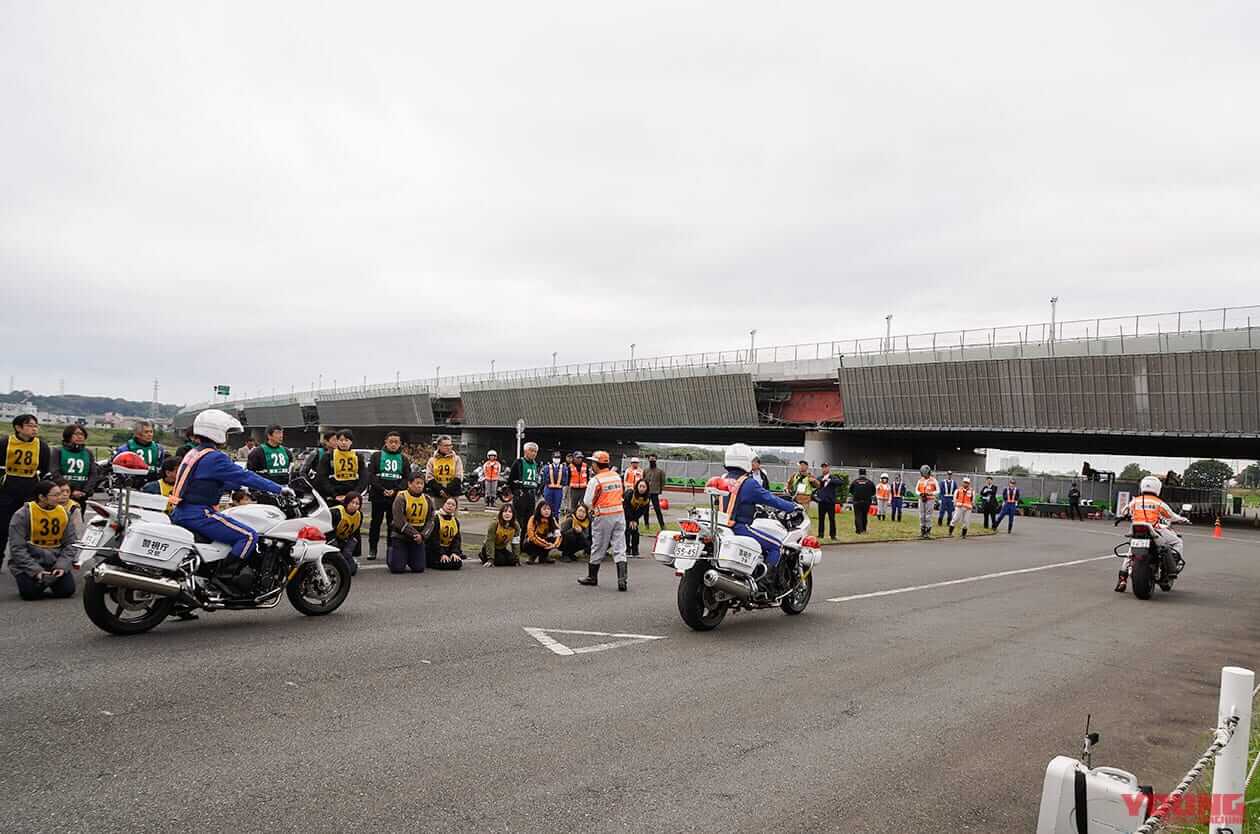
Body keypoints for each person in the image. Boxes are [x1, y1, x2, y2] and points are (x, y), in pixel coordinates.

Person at [166, 410, 285, 585]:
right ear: (216, 432)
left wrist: (238, 486)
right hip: (199, 513)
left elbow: (206, 482)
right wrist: (279, 489)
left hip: (182, 510)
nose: (228, 437)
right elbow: (245, 475)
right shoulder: (214, 457)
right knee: (249, 536)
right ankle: (223, 579)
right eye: (227, 433)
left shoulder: (196, 452)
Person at [718, 443, 802, 589]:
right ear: (745, 461)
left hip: (721, 527)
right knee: (776, 546)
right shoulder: (748, 483)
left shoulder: (722, 479)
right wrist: (793, 507)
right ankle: (764, 584)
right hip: (739, 527)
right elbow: (771, 499)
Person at [1114, 475, 1189, 592]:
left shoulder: (1134, 501)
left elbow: (1124, 511)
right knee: (1177, 541)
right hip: (1155, 530)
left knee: (1130, 553)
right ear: (1157, 488)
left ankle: (1122, 580)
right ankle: (1170, 569)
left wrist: (1125, 515)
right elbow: (1172, 516)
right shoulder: (1159, 503)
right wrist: (1183, 519)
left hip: (1135, 530)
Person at [7, 479, 78, 600]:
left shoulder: (64, 514)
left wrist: (61, 566)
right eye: (55, 495)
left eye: (60, 494)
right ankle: (38, 580)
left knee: (67, 591)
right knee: (31, 594)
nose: (60, 497)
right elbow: (17, 548)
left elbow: (71, 544)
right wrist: (36, 571)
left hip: (54, 562)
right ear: (42, 497)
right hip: (31, 562)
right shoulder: (22, 515)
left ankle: (48, 580)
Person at [0, 414, 52, 561]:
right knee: (3, 527)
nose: (34, 429)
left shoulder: (42, 446)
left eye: (36, 426)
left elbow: (45, 470)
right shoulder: (5, 443)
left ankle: (24, 561)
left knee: (28, 529)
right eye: (30, 425)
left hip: (29, 491)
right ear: (18, 427)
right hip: (7, 491)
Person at [576, 451, 629, 591]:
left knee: (598, 546)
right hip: (619, 514)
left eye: (593, 462)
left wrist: (593, 509)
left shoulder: (596, 480)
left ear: (596, 464)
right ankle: (622, 580)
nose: (591, 465)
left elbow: (587, 501)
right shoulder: (616, 477)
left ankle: (592, 577)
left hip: (603, 516)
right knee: (620, 547)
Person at [367, 432, 409, 560]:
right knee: (376, 522)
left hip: (395, 497)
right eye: (391, 441)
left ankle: (391, 548)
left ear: (400, 443)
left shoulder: (403, 458)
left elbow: (407, 478)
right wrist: (382, 489)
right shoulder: (376, 456)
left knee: (393, 523)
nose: (393, 444)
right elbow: (371, 474)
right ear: (386, 442)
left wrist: (395, 490)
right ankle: (372, 548)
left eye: (396, 442)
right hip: (378, 495)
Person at [389, 472, 435, 574]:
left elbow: (431, 520)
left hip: (418, 538)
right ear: (409, 484)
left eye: (422, 484)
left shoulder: (427, 499)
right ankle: (392, 553)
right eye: (417, 483)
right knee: (397, 569)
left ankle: (409, 556)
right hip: (401, 536)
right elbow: (399, 521)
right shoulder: (401, 497)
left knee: (419, 568)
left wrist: (422, 536)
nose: (419, 486)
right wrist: (415, 534)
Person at [52, 424, 100, 506]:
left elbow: (93, 474)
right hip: (62, 493)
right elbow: (54, 472)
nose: (80, 437)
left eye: (82, 434)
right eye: (76, 434)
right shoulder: (58, 451)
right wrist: (70, 490)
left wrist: (85, 491)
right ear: (68, 435)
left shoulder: (88, 453)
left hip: (82, 494)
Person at [316, 430, 366, 503]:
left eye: (346, 440)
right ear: (337, 441)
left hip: (352, 495)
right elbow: (322, 476)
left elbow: (364, 476)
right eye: (341, 440)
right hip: (334, 495)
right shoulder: (328, 457)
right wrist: (334, 494)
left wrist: (356, 493)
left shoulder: (357, 456)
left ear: (351, 442)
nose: (344, 443)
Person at [327, 494, 363, 576]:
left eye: (357, 504)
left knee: (351, 571)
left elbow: (356, 533)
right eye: (352, 502)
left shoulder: (359, 515)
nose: (354, 505)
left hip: (346, 538)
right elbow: (328, 530)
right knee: (336, 556)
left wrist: (355, 551)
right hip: (332, 538)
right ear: (346, 502)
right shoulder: (336, 512)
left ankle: (349, 562)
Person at [509, 442, 542, 527]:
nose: (533, 453)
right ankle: (517, 538)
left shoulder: (535, 464)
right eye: (531, 451)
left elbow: (537, 479)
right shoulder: (519, 462)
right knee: (518, 519)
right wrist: (516, 492)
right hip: (521, 494)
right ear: (525, 451)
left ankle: (526, 537)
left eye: (535, 451)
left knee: (529, 519)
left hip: (531, 495)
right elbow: (511, 480)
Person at [426, 497, 463, 570]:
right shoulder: (436, 518)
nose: (450, 506)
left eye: (453, 505)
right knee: (445, 564)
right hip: (435, 550)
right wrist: (442, 554)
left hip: (448, 549)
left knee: (457, 563)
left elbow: (457, 539)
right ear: (443, 505)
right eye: (448, 503)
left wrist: (454, 552)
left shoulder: (455, 521)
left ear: (455, 508)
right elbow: (433, 539)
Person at [424, 435, 464, 501]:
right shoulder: (432, 460)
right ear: (439, 446)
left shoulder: (457, 459)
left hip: (453, 494)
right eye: (446, 446)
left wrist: (447, 490)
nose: (449, 448)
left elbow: (459, 476)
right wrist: (440, 490)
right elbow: (429, 478)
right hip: (436, 494)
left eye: (450, 445)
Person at [523, 500, 561, 564]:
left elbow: (558, 534)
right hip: (533, 541)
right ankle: (532, 556)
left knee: (553, 538)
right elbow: (532, 536)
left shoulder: (552, 519)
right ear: (539, 510)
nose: (547, 511)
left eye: (548, 509)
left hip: (545, 541)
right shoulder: (533, 519)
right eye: (544, 509)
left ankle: (544, 557)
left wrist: (554, 545)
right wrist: (546, 544)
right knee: (529, 541)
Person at [623, 478, 652, 556]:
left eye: (644, 487)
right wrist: (631, 520)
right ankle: (626, 549)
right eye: (640, 486)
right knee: (627, 530)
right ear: (637, 486)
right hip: (625, 514)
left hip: (635, 516)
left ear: (647, 488)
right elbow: (626, 507)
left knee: (635, 531)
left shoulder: (646, 498)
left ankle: (635, 550)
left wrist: (635, 520)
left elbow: (643, 511)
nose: (642, 489)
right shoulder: (630, 493)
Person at [814, 463, 842, 540]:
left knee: (832, 519)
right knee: (821, 519)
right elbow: (815, 486)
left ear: (829, 468)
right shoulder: (819, 478)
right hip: (822, 502)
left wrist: (829, 480)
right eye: (823, 467)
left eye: (826, 467)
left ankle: (833, 535)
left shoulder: (833, 477)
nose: (824, 469)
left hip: (830, 502)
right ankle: (820, 534)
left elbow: (840, 482)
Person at [540, 451, 568, 520]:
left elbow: (565, 480)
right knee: (547, 507)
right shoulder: (546, 467)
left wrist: (560, 484)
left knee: (557, 507)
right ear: (552, 458)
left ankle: (556, 522)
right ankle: (547, 521)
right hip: (548, 489)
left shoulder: (564, 468)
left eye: (558, 458)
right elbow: (544, 480)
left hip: (558, 490)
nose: (557, 459)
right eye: (555, 457)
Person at [643, 453, 666, 529]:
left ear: (656, 460)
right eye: (650, 459)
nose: (652, 461)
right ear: (648, 460)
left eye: (653, 459)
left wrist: (660, 490)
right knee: (645, 510)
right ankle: (646, 525)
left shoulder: (660, 471)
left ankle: (662, 525)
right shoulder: (645, 470)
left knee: (657, 509)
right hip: (646, 493)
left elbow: (663, 482)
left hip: (655, 493)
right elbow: (643, 481)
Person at [915, 465, 939, 539]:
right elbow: (916, 490)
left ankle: (928, 532)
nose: (924, 475)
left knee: (928, 516)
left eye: (925, 473)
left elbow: (938, 490)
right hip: (922, 499)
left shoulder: (934, 480)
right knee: (922, 516)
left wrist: (930, 493)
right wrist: (920, 494)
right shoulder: (920, 480)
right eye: (923, 473)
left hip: (930, 499)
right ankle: (922, 531)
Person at [849, 468, 875, 534]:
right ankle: (864, 529)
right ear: (865, 474)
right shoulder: (870, 482)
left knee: (858, 516)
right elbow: (873, 492)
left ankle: (858, 530)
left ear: (859, 473)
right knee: (864, 516)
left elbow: (851, 491)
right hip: (866, 502)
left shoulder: (855, 482)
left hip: (857, 501)